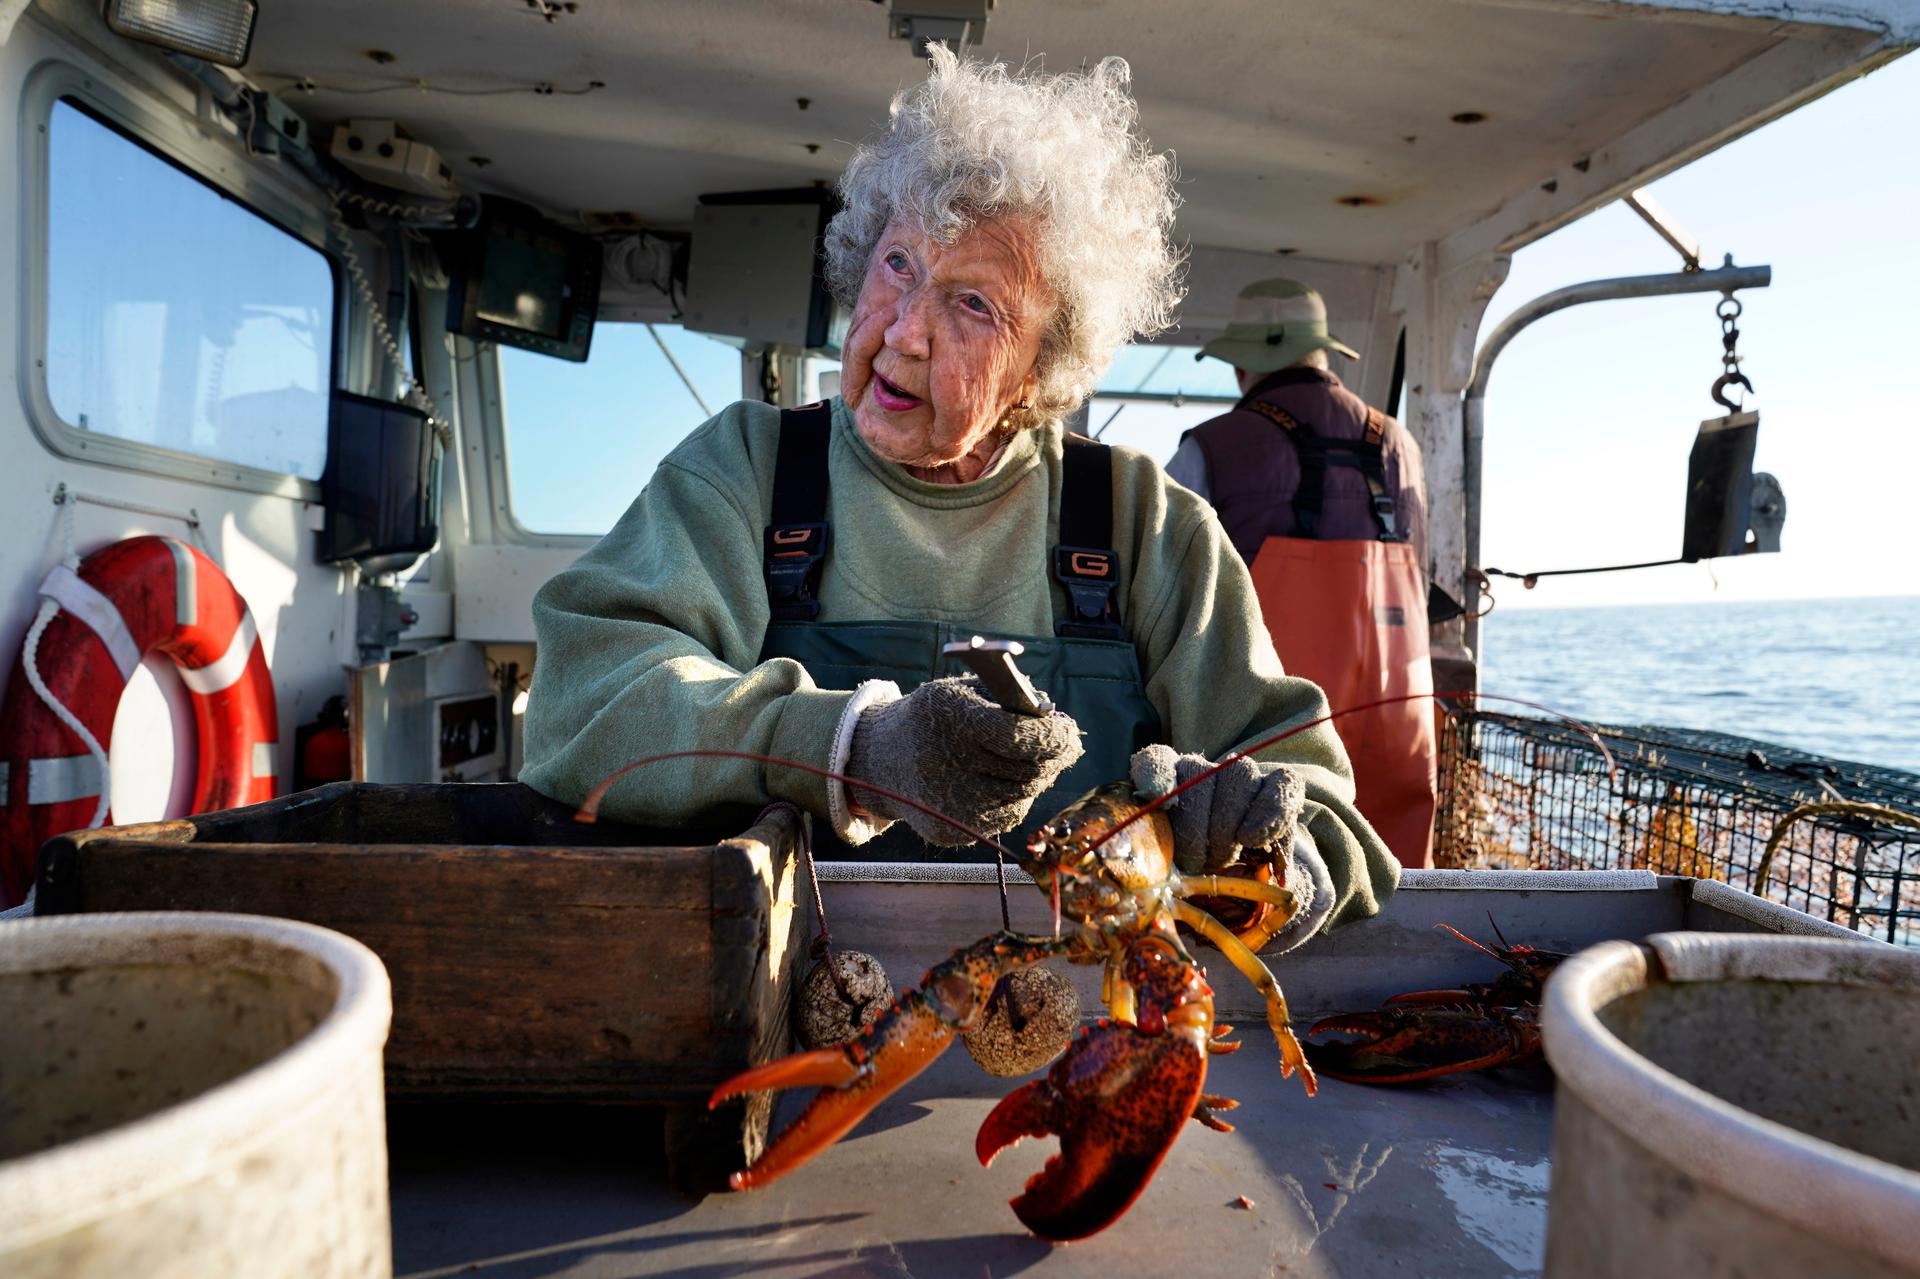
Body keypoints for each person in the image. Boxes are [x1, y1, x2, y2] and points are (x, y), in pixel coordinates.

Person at [522, 50, 1397, 951]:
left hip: (1084, 1037)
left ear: (1043, 366)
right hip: (782, 1008)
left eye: (973, 303)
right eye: (897, 263)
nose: (902, 331)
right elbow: (581, 703)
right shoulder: (746, 469)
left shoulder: (1146, 525)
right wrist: (851, 749)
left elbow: (1324, 816)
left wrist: (1269, 865)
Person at [1167, 279, 1437, 867]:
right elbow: (1423, 565)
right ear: (1323, 353)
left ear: (1244, 365)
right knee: (1397, 872)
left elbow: (1163, 583)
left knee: (1269, 871)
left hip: (1275, 723)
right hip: (1397, 712)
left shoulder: (1210, 448)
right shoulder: (1402, 445)